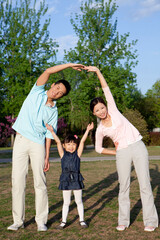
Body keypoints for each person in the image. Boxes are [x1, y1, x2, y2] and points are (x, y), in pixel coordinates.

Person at [7, 63, 85, 232]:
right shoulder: (36, 91)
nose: (57, 92)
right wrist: (70, 65)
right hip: (20, 140)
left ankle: (41, 220)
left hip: (38, 144)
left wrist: (47, 156)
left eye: (61, 93)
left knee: (40, 183)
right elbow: (48, 71)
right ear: (52, 85)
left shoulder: (53, 111)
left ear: (61, 96)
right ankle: (17, 221)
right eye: (57, 88)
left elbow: (49, 135)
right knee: (18, 181)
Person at [85, 66, 158, 232]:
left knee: (145, 184)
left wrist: (97, 71)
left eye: (102, 107)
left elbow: (105, 88)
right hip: (122, 153)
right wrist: (114, 152)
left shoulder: (113, 108)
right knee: (123, 186)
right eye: (97, 110)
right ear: (94, 113)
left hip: (138, 146)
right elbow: (98, 148)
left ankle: (150, 221)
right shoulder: (100, 129)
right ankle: (123, 221)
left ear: (105, 106)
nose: (101, 111)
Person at [46, 122, 94, 229]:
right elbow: (58, 141)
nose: (71, 146)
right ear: (64, 145)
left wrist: (87, 130)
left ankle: (82, 220)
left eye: (73, 144)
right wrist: (52, 131)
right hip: (65, 180)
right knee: (66, 202)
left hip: (76, 179)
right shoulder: (62, 154)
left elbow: (82, 141)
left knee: (79, 201)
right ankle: (63, 222)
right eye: (68, 144)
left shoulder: (78, 154)